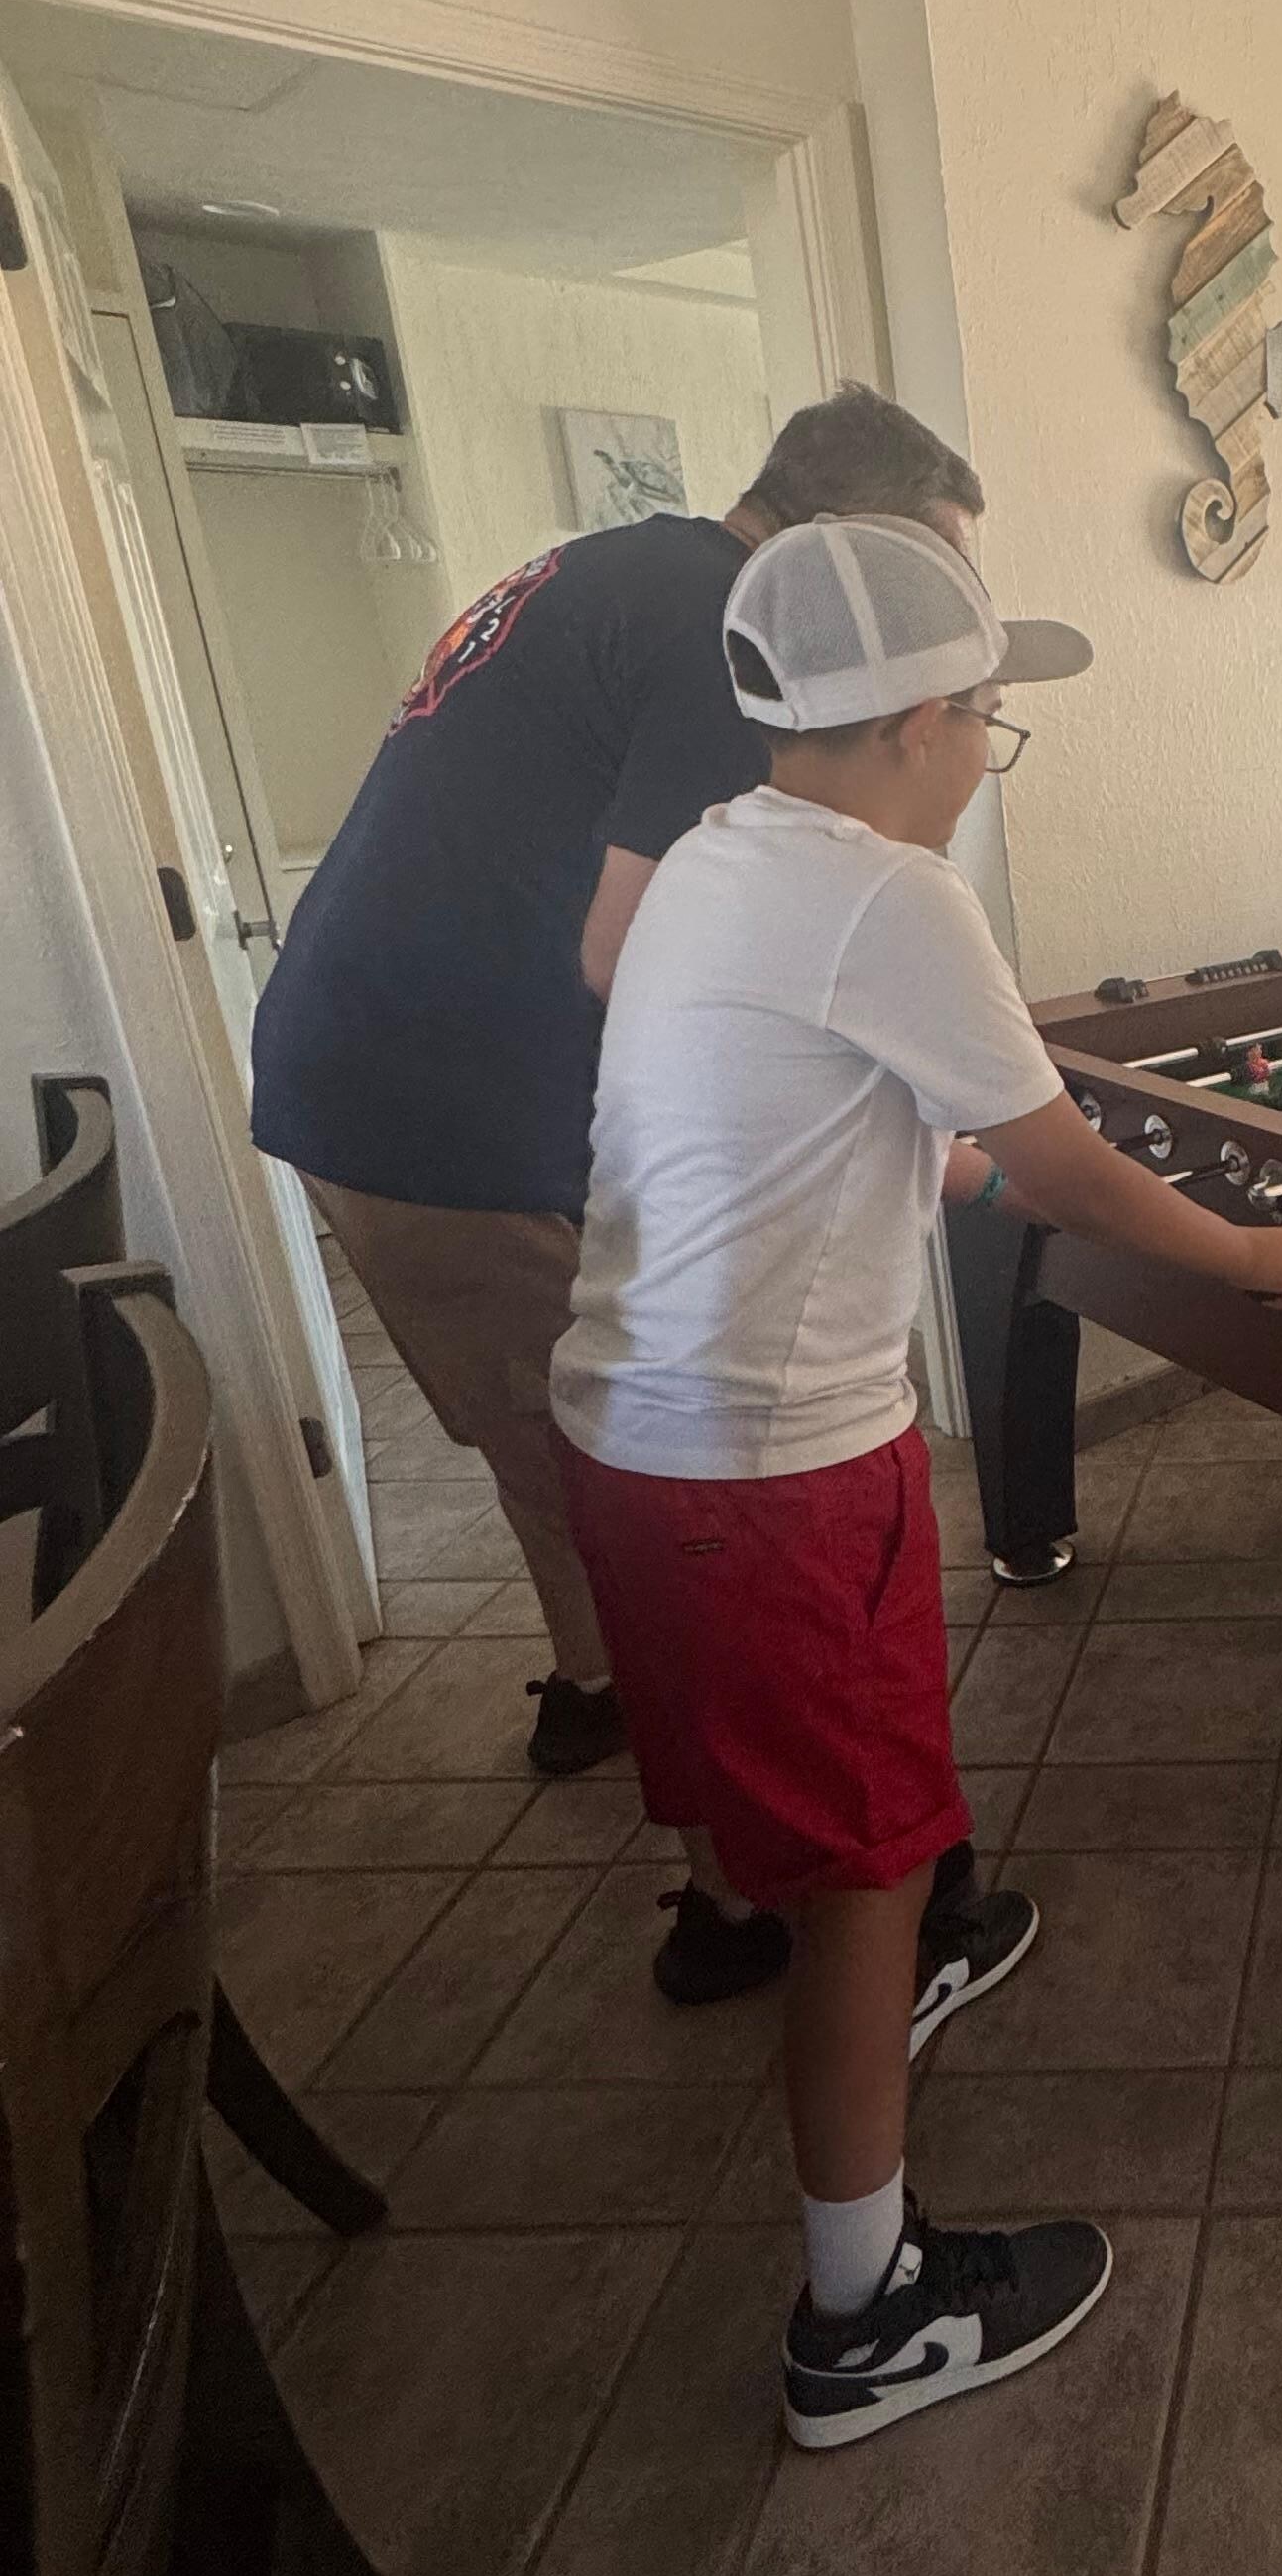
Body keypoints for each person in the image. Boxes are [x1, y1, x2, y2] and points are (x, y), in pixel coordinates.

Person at [550, 513, 1282, 2446]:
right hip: (767, 1471)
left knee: (825, 1820)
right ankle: (864, 2314)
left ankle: (867, 1949)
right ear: (917, 720)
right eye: (988, 714)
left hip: (644, 1438)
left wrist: (974, 1162)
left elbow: (851, 1115)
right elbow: (1066, 1168)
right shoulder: (895, 898)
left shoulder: (721, 858)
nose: (990, 746)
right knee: (864, 1872)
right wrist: (1251, 1258)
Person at [249, 383, 996, 2009]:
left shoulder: (627, 567)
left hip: (369, 1076)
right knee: (656, 1477)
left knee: (559, 1436)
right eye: (920, 581)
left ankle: (596, 1689)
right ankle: (743, 1902)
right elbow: (632, 950)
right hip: (444, 1108)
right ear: (831, 558)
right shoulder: (718, 629)